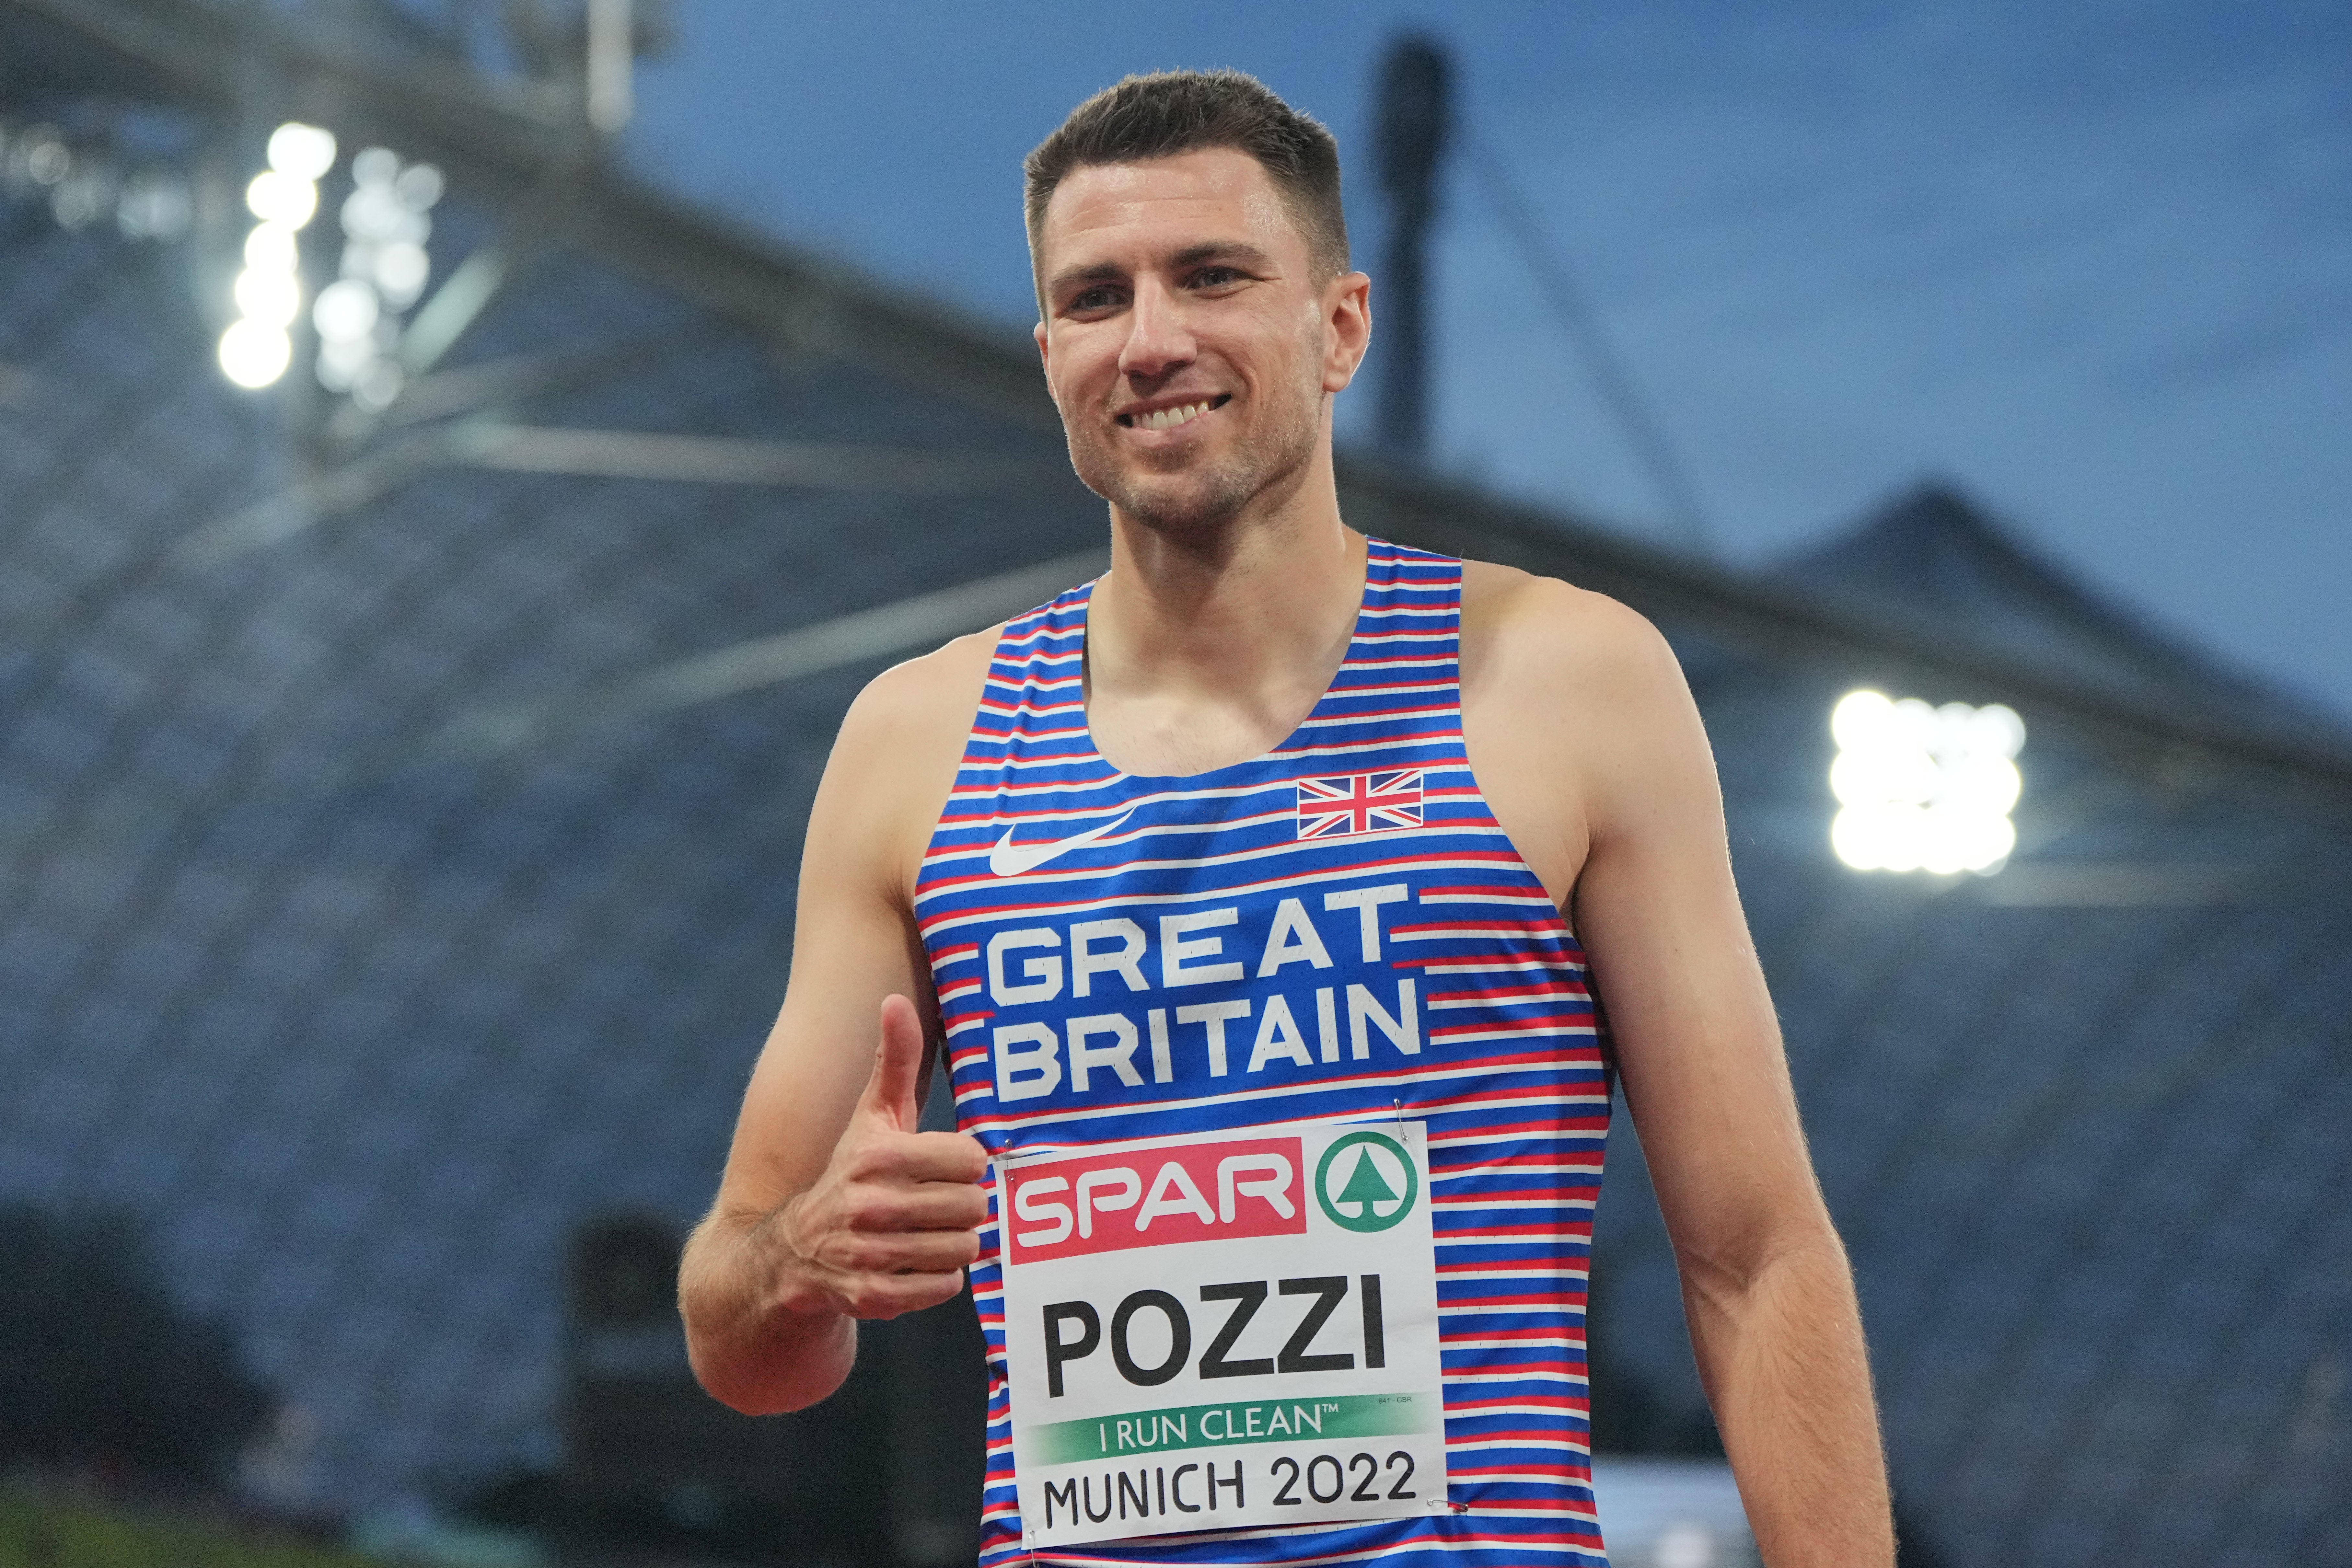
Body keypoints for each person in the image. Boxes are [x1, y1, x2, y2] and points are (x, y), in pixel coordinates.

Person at [679, 69, 1893, 1568]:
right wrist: (807, 1255)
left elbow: (1759, 1253)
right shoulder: (915, 746)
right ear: (1050, 350)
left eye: (1211, 277)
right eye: (1095, 295)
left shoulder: (1562, 681)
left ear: (1339, 325)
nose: (1153, 339)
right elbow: (740, 1334)